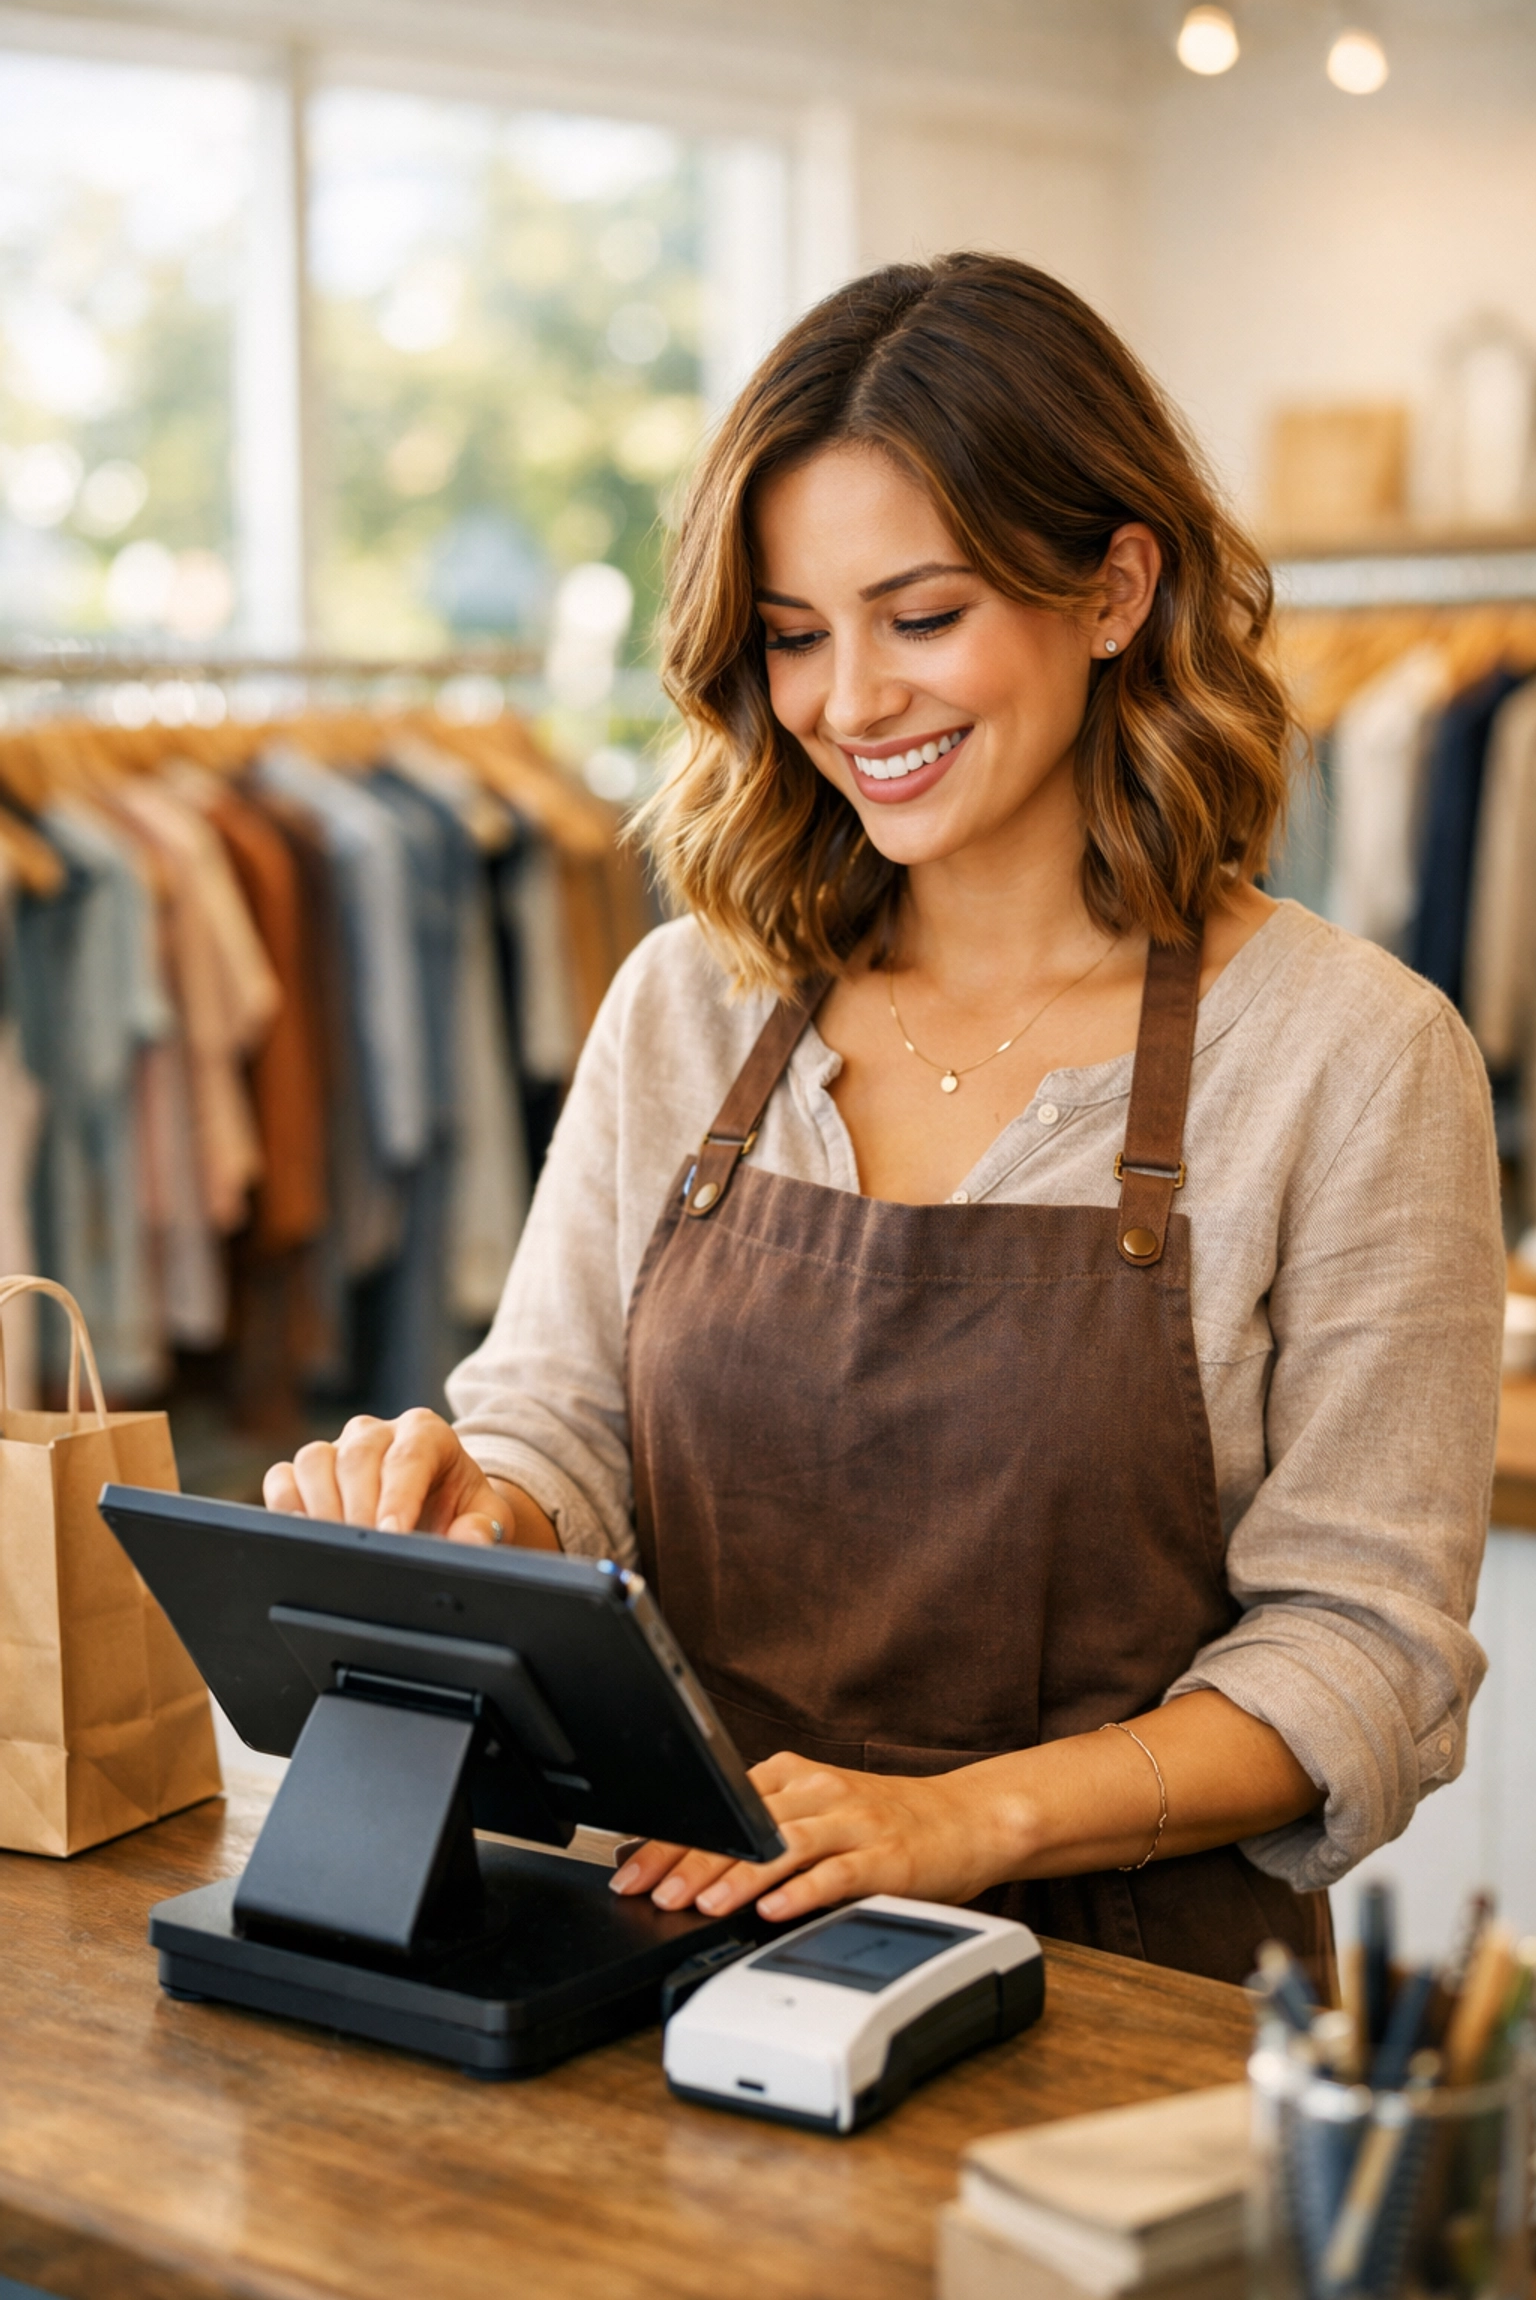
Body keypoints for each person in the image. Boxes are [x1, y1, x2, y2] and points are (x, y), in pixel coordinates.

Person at [265, 256, 1504, 1988]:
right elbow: (561, 1429)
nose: (849, 702)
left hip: (1126, 2010)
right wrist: (469, 1506)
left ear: (1114, 587)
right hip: (675, 1955)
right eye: (792, 636)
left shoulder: (1352, 1056)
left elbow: (1359, 1654)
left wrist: (960, 1820)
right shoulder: (688, 1002)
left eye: (920, 618)